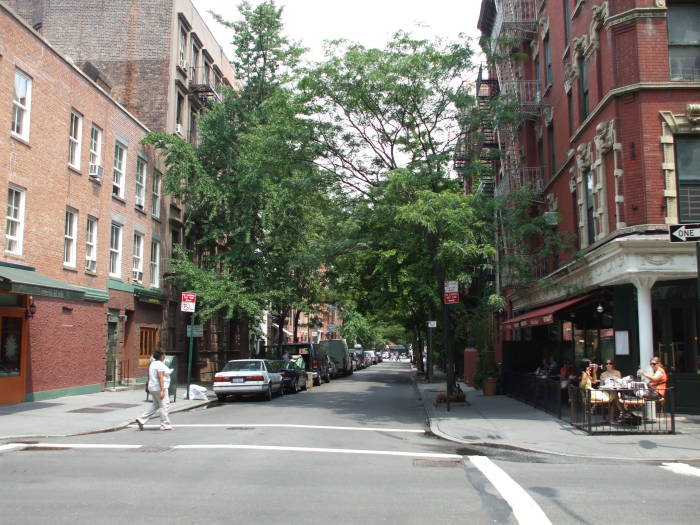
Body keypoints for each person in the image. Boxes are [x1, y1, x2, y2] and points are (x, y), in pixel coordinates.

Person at [135, 350, 173, 431]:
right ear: (161, 356)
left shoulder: (153, 363)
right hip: (159, 388)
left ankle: (141, 419)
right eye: (164, 354)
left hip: (152, 387)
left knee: (155, 405)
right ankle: (165, 424)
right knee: (164, 405)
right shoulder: (160, 365)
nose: (165, 356)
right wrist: (162, 390)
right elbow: (160, 377)